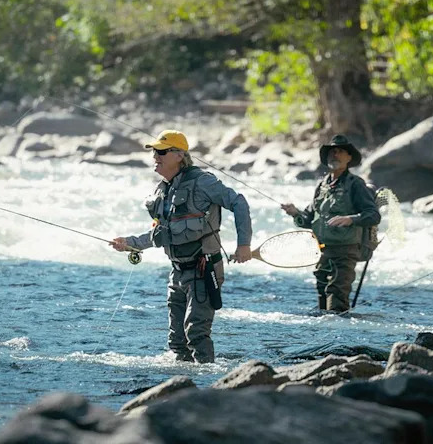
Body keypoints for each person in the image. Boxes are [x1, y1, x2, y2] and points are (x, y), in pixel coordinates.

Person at [111, 129, 252, 363]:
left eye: (162, 151)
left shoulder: (203, 182)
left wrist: (244, 244)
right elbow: (160, 234)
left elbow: (239, 202)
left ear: (179, 155)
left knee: (196, 334)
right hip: (176, 273)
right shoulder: (163, 190)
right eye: (155, 151)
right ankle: (183, 385)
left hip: (203, 269)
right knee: (177, 342)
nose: (155, 156)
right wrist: (130, 244)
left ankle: (209, 386)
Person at [281, 134, 379, 313]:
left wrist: (350, 219)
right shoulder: (322, 185)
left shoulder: (356, 184)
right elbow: (309, 219)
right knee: (322, 298)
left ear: (349, 158)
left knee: (337, 295)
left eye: (340, 152)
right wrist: (295, 213)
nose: (335, 154)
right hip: (323, 250)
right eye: (332, 152)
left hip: (346, 251)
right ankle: (323, 335)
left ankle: (339, 337)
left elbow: (373, 215)